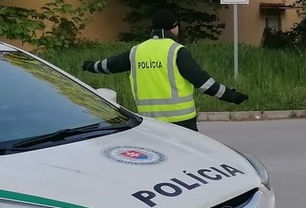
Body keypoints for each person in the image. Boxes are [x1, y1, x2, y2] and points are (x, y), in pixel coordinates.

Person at [83, 9, 248, 132]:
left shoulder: (136, 51)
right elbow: (204, 83)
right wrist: (232, 96)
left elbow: (109, 65)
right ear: (173, 28)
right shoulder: (176, 50)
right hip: (181, 122)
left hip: (149, 123)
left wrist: (90, 66)